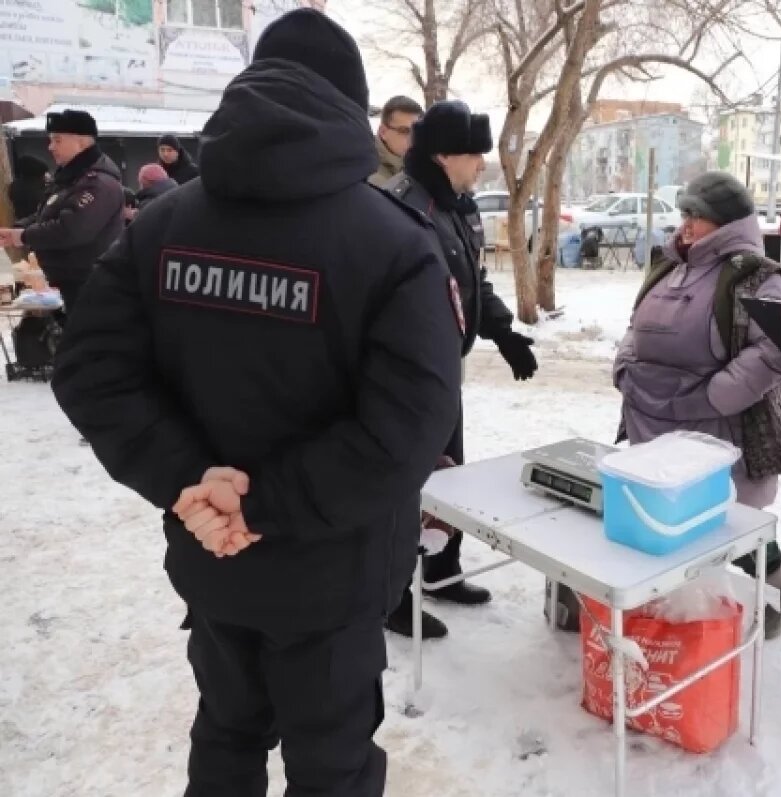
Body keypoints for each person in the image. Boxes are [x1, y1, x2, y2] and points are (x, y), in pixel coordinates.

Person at [50, 10, 462, 795]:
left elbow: (90, 371)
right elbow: (408, 428)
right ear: (352, 108)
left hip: (212, 559)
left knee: (226, 738)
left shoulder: (161, 225)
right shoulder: (395, 243)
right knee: (330, 767)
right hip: (331, 576)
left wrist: (193, 485)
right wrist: (257, 503)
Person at [609, 171, 781, 639]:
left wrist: (716, 396)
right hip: (651, 424)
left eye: (699, 216)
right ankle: (676, 617)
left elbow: (774, 349)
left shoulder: (756, 276)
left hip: (718, 434)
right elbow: (635, 329)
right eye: (685, 214)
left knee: (732, 530)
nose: (687, 224)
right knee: (664, 524)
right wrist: (625, 370)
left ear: (727, 223)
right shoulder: (670, 265)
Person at [381, 99, 538, 640]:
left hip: (445, 368)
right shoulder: (402, 209)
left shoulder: (456, 205)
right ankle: (393, 594)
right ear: (446, 155)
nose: (482, 166)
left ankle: (443, 571)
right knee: (406, 485)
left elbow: (472, 283)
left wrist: (504, 332)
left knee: (454, 476)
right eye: (475, 156)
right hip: (406, 376)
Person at [0, 110, 124, 313]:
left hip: (90, 286)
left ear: (81, 142)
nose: (50, 147)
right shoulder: (71, 177)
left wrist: (22, 235)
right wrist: (17, 229)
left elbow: (71, 229)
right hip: (70, 283)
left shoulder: (98, 183)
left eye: (57, 141)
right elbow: (48, 213)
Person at [369, 95, 423, 187]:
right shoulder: (371, 178)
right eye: (404, 131)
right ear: (383, 132)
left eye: (416, 132)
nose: (412, 139)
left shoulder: (418, 168)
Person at [8, 154, 50, 221]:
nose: (47, 176)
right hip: (37, 226)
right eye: (44, 173)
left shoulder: (14, 186)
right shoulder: (40, 192)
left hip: (20, 223)